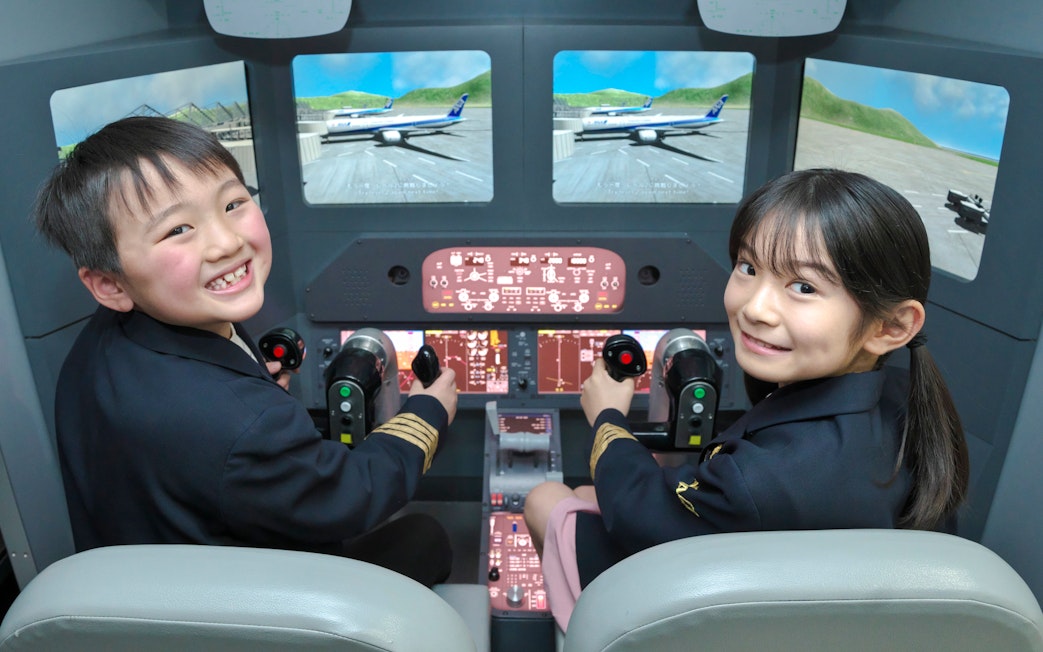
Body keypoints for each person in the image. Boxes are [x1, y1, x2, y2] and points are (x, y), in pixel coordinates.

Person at [523, 168, 970, 629]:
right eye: (748, 267)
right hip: (824, 621)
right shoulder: (904, 402)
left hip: (710, 612)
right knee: (584, 494)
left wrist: (607, 418)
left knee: (546, 498)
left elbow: (643, 516)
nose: (755, 307)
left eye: (803, 287)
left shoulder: (759, 480)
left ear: (891, 327)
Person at [33, 116, 458, 587]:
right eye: (178, 230)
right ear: (109, 284)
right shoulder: (243, 425)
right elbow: (352, 495)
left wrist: (252, 385)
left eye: (234, 203)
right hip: (258, 611)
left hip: (158, 591)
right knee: (427, 536)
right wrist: (426, 413)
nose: (227, 242)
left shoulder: (102, 343)